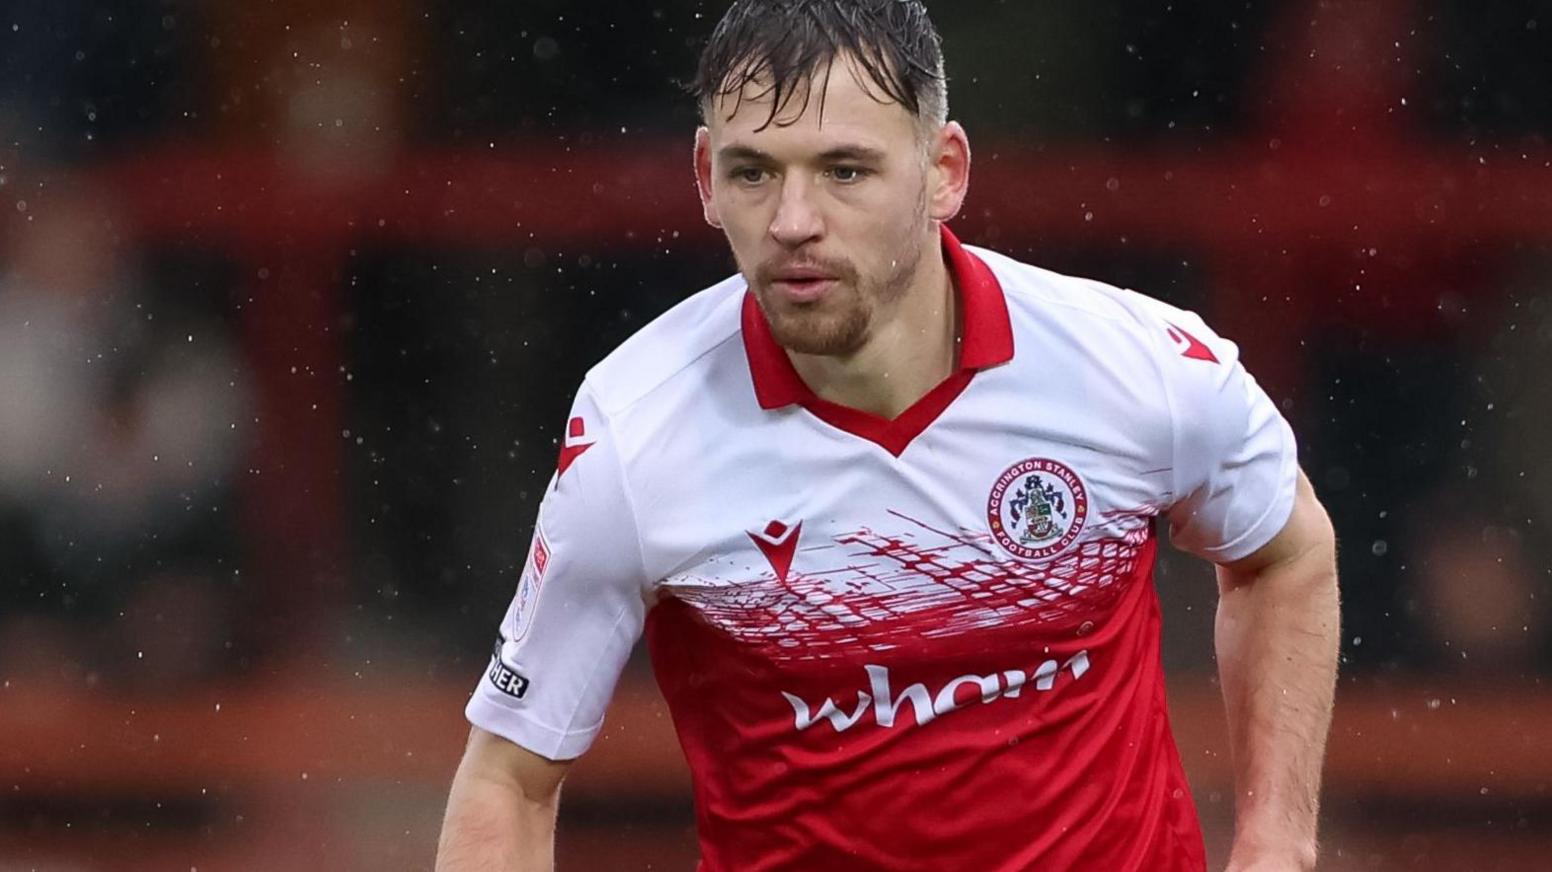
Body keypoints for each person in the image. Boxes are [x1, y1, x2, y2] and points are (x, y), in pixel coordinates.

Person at [436, 2, 1340, 870]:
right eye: (755, 172)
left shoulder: (1139, 368)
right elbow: (509, 780)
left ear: (944, 170)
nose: (793, 221)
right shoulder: (637, 433)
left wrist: (1276, 848)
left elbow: (1285, 553)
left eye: (845, 170)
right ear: (707, 177)